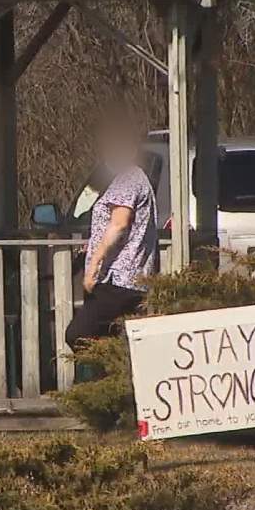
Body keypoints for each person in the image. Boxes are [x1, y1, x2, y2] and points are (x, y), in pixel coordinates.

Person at [65, 108, 158, 352]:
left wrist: (94, 264)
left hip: (119, 279)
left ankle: (100, 383)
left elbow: (119, 222)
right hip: (129, 281)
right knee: (117, 339)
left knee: (78, 334)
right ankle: (115, 384)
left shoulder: (129, 178)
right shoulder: (130, 179)